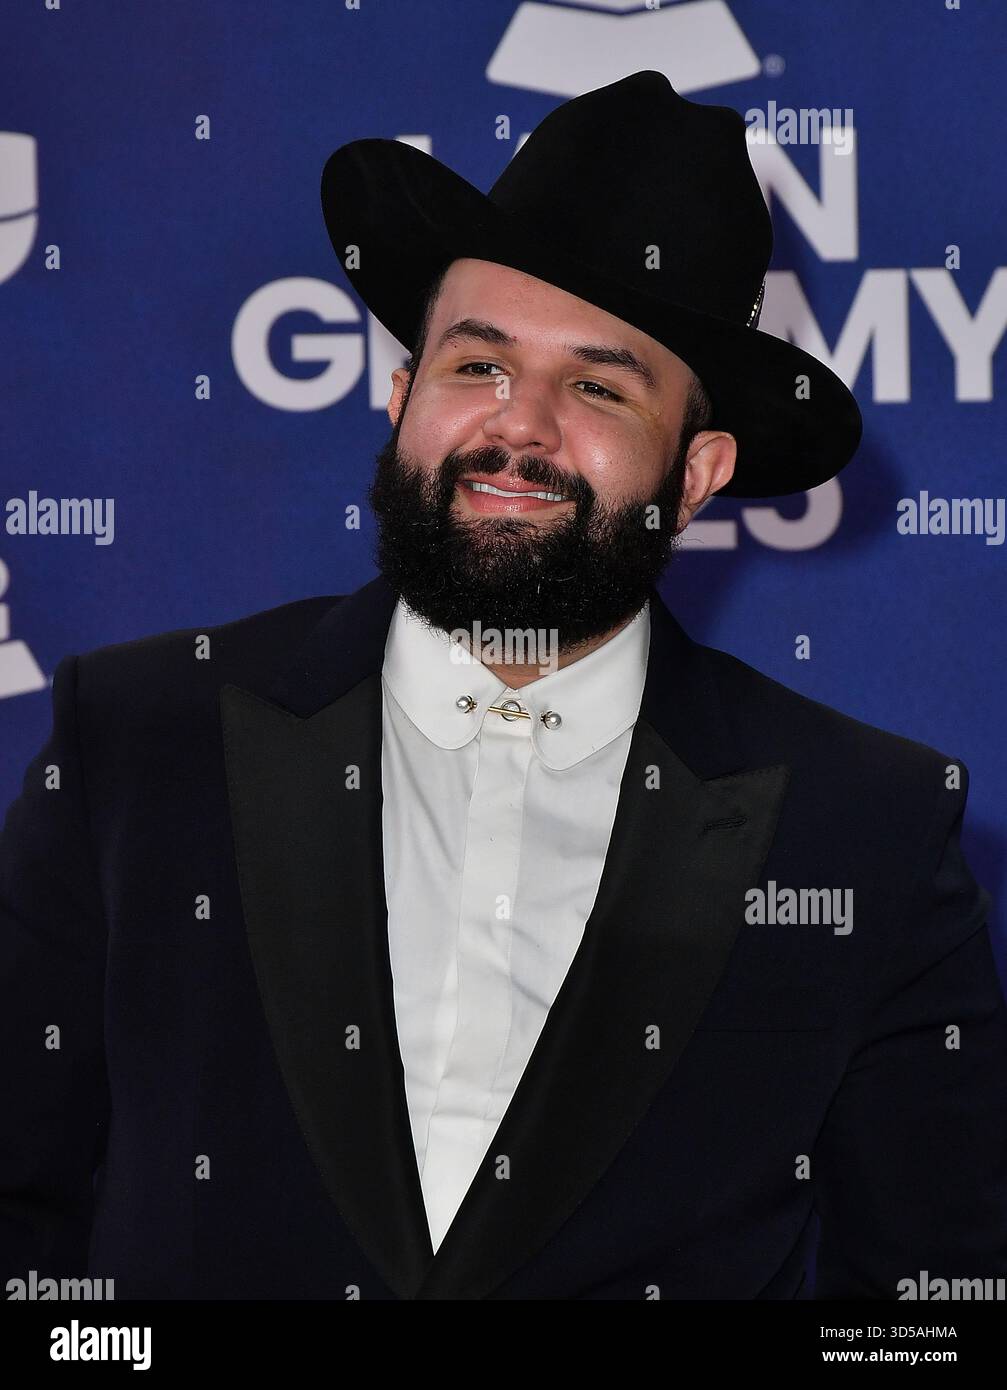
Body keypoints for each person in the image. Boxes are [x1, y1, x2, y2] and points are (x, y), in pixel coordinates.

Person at [2, 71, 1005, 1301]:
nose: (516, 427)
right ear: (398, 398)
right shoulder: (139, 742)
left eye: (596, 386)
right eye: (475, 365)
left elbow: (930, 1307)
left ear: (694, 473)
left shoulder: (866, 832)